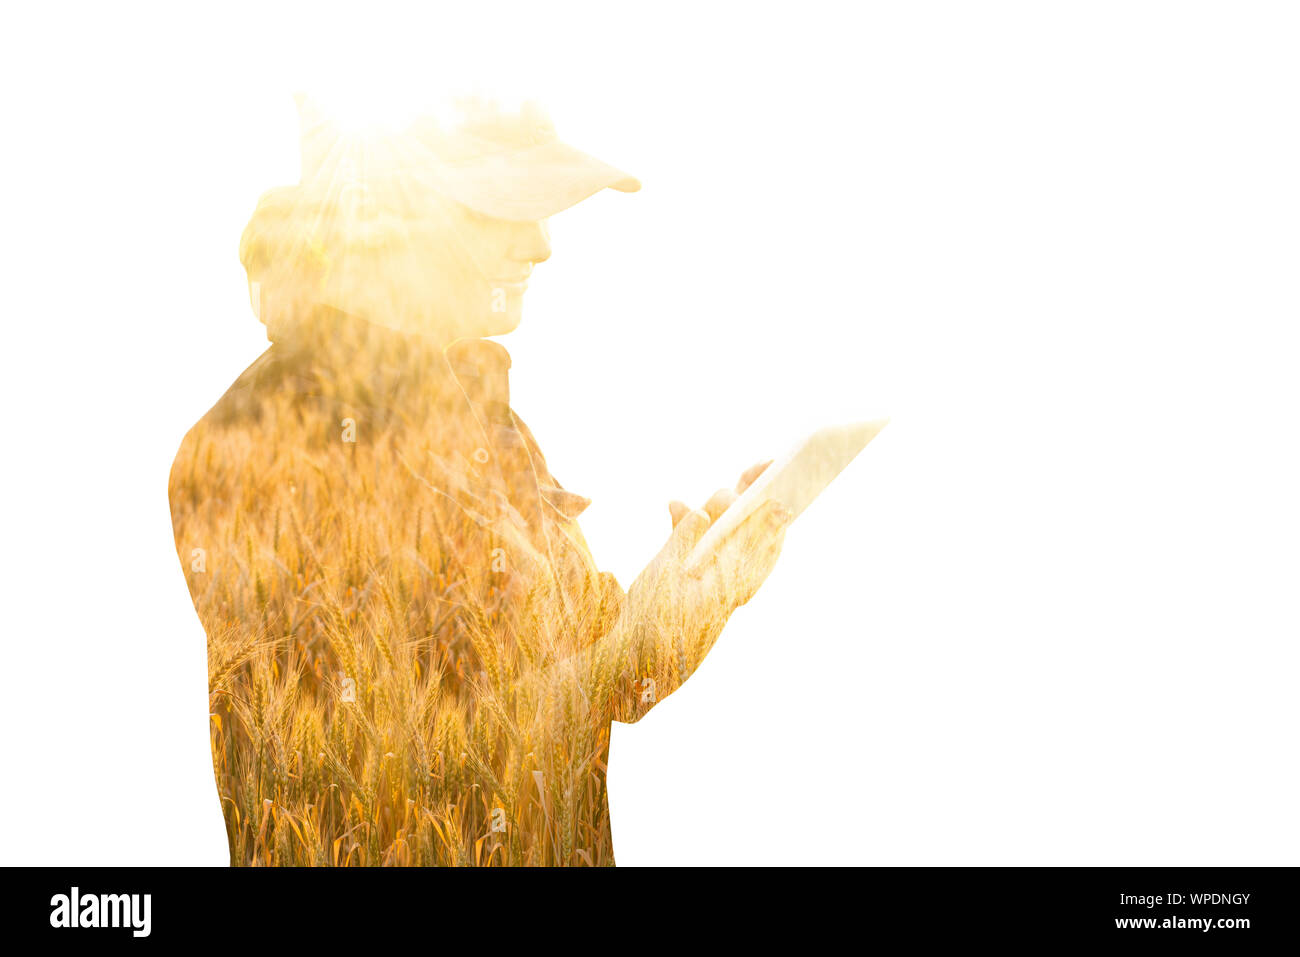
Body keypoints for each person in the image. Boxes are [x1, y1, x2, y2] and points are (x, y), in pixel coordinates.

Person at [169, 96, 791, 866]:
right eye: (502, 206)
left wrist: (690, 597)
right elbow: (371, 779)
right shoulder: (263, 441)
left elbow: (577, 671)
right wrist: (628, 648)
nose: (541, 244)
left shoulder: (490, 422)